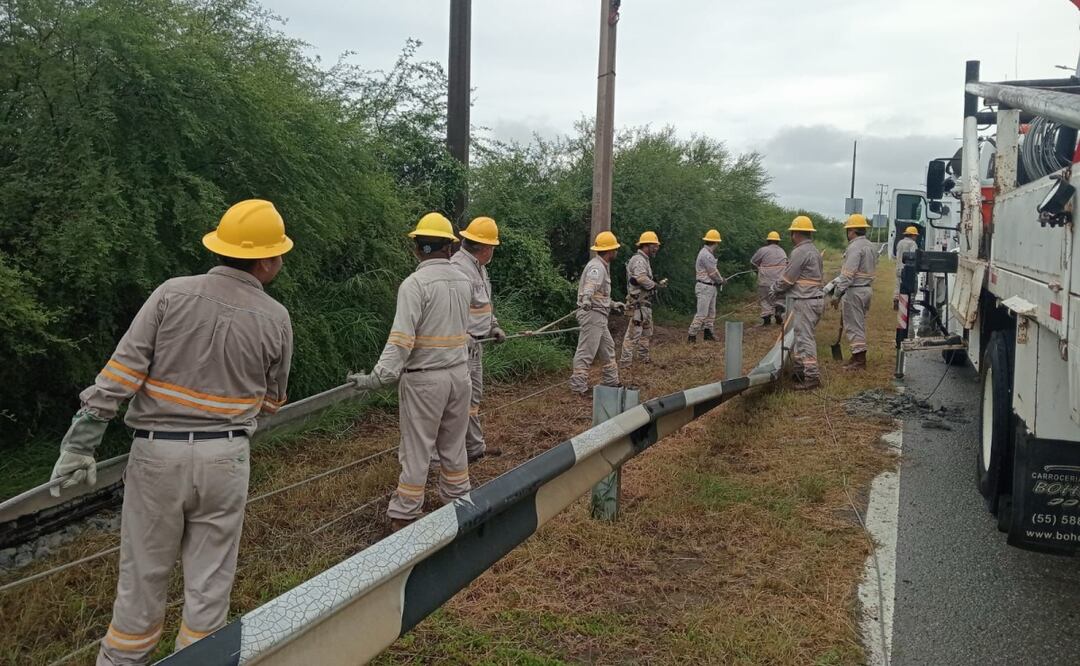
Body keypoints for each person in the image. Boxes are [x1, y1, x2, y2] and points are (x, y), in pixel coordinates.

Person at [46, 200, 294, 665]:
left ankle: (122, 660)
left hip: (157, 455)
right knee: (210, 581)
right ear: (264, 260)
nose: (280, 262)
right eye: (279, 254)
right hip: (226, 457)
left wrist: (81, 443)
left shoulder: (170, 294)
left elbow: (121, 372)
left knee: (142, 575)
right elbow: (273, 401)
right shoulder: (275, 317)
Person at [349, 213, 472, 532]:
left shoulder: (414, 285)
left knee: (417, 449)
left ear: (417, 249)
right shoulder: (464, 280)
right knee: (453, 445)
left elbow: (400, 340)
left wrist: (375, 378)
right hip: (459, 376)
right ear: (450, 247)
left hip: (424, 379)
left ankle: (405, 515)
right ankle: (460, 503)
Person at [451, 216, 505, 462]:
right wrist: (463, 337)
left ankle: (474, 448)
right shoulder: (458, 269)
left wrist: (493, 326)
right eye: (492, 246)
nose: (493, 250)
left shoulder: (479, 268)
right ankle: (451, 453)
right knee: (459, 399)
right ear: (485, 248)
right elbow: (452, 310)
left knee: (473, 397)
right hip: (463, 346)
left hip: (476, 345)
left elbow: (482, 304)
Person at [770, 215, 824, 391]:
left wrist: (775, 289)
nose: (791, 237)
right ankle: (799, 371)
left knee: (805, 338)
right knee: (801, 336)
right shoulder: (814, 251)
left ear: (796, 234)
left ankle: (812, 377)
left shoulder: (799, 252)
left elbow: (788, 279)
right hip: (814, 300)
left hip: (806, 301)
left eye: (792, 233)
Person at [569, 231, 623, 395]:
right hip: (592, 314)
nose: (616, 252)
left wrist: (613, 304)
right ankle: (578, 388)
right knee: (586, 350)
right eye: (615, 249)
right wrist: (586, 298)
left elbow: (600, 294)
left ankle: (611, 382)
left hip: (599, 314)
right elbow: (590, 286)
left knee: (608, 347)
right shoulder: (597, 267)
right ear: (610, 251)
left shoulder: (602, 266)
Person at [830, 214, 877, 370]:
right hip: (866, 290)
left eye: (848, 230)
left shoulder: (854, 247)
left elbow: (848, 274)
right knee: (859, 323)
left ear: (852, 231)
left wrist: (836, 295)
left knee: (853, 325)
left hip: (855, 291)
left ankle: (859, 360)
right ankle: (856, 356)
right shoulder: (870, 245)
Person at [619, 231, 666, 371]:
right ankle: (625, 364)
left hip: (644, 304)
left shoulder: (644, 260)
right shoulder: (639, 260)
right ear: (647, 245)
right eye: (655, 245)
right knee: (633, 334)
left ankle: (643, 359)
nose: (657, 248)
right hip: (638, 304)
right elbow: (640, 279)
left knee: (646, 333)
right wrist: (655, 285)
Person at [687, 229, 726, 342]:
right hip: (705, 286)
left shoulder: (707, 253)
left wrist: (719, 280)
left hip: (710, 286)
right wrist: (721, 280)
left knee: (711, 312)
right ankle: (692, 335)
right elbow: (712, 272)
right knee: (702, 313)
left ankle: (708, 333)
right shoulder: (706, 255)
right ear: (716, 242)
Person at [750, 231, 788, 327]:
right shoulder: (782, 251)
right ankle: (779, 311)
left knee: (765, 299)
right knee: (780, 298)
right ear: (778, 242)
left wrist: (757, 271)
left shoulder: (762, 250)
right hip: (779, 281)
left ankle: (766, 320)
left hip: (765, 280)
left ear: (768, 241)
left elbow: (753, 262)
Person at [894, 226, 920, 309]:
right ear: (912, 235)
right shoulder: (912, 244)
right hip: (908, 270)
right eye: (915, 235)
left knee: (898, 285)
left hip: (898, 268)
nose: (916, 237)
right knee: (912, 286)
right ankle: (910, 304)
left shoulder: (900, 242)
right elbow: (913, 257)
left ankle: (896, 300)